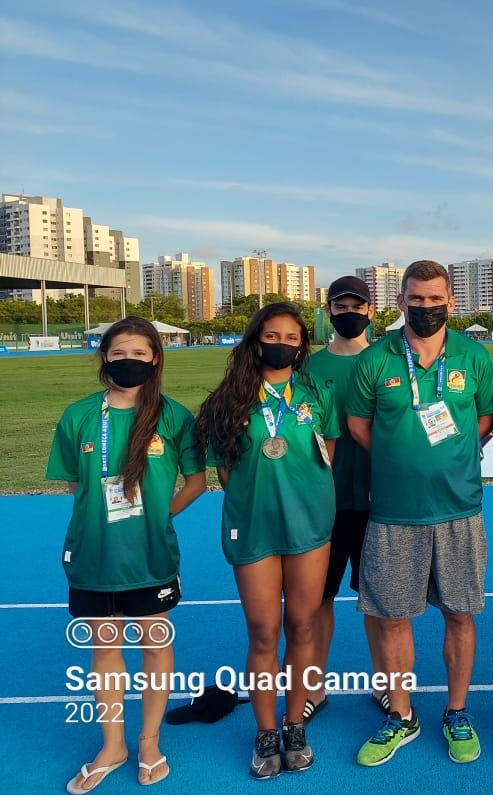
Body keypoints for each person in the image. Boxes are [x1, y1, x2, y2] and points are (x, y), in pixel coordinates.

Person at [347, 260, 493, 766]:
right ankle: (402, 716)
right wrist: (402, 461)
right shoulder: (376, 358)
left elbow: (484, 418)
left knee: (460, 614)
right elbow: (357, 425)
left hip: (460, 510)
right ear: (401, 301)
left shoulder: (474, 356)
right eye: (417, 298)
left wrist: (450, 459)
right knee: (393, 619)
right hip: (393, 513)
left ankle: (456, 711)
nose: (426, 307)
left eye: (436, 299)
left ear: (451, 302)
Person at [48, 317, 206, 793]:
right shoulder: (77, 416)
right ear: (105, 357)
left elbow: (197, 482)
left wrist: (160, 515)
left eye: (139, 353)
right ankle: (113, 745)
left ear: (155, 358)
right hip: (93, 557)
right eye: (119, 353)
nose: (129, 360)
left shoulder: (174, 417)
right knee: (104, 651)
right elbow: (77, 485)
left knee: (155, 646)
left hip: (151, 557)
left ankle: (149, 741)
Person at [196, 302, 339, 779]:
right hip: (254, 526)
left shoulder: (318, 391)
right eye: (272, 336)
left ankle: (294, 724)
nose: (282, 344)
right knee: (263, 632)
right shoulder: (227, 399)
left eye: (292, 338)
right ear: (256, 339)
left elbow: (328, 454)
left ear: (302, 346)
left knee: (302, 627)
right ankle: (265, 733)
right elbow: (225, 470)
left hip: (309, 528)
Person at [307, 276, 382, 720]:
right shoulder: (309, 369)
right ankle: (313, 686)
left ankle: (386, 684)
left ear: (371, 310)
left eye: (357, 306)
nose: (349, 313)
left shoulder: (389, 362)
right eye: (340, 306)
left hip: (380, 501)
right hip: (323, 502)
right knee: (319, 599)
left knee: (381, 600)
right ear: (329, 310)